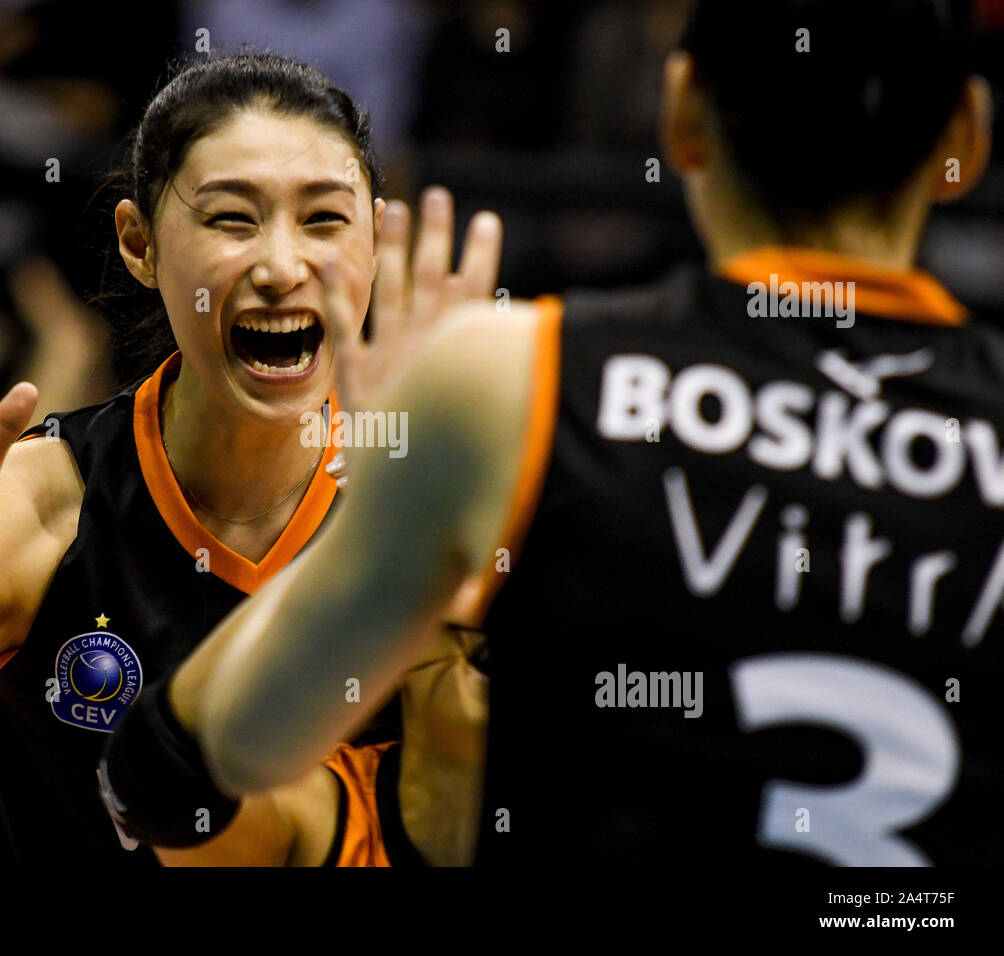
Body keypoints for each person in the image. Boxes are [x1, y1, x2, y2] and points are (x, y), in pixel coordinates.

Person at [121, 0, 1004, 866]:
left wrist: (394, 480)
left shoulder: (519, 375)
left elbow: (193, 762)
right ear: (967, 136)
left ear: (681, 111)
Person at [0, 51, 491, 867]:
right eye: (231, 220)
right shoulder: (34, 500)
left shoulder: (444, 503)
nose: (283, 267)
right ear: (140, 244)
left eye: (324, 219)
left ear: (378, 245)